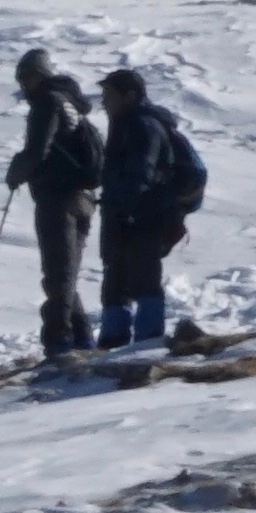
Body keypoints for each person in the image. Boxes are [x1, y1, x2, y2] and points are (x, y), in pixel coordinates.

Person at [99, 67, 206, 350]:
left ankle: (145, 344)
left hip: (144, 214)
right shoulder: (128, 122)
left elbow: (142, 170)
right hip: (133, 213)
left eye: (109, 94)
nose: (103, 101)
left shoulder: (142, 125)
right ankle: (115, 342)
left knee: (142, 277)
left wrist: (125, 206)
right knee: (118, 278)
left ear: (130, 96)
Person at [7, 49, 101, 359]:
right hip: (84, 199)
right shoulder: (71, 102)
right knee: (66, 272)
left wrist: (17, 172)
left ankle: (60, 340)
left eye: (25, 78)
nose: (23, 86)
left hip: (58, 197)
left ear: (37, 76)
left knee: (58, 272)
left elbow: (37, 151)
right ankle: (82, 336)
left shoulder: (47, 102)